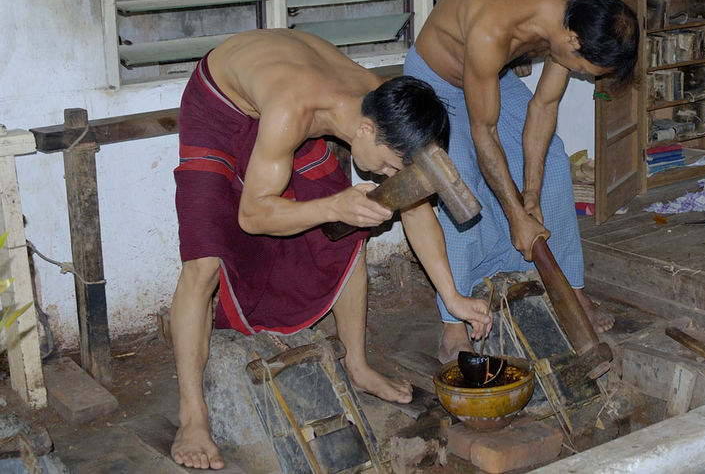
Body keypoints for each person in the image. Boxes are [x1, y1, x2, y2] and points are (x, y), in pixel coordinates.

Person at [170, 29, 492, 470]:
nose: (384, 174)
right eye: (385, 166)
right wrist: (331, 205)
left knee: (347, 230)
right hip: (222, 104)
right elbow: (253, 216)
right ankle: (192, 414)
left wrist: (453, 299)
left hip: (288, 100)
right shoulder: (293, 111)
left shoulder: (384, 106)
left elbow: (416, 208)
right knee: (204, 262)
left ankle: (357, 366)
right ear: (364, 129)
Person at [403, 0, 639, 362]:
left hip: (490, 77)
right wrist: (516, 216)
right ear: (573, 43)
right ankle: (452, 324)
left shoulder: (575, 13)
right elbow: (484, 132)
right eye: (586, 71)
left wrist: (530, 195)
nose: (583, 76)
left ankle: (572, 289)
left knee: (556, 170)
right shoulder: (494, 28)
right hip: (436, 84)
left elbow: (543, 106)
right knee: (458, 189)